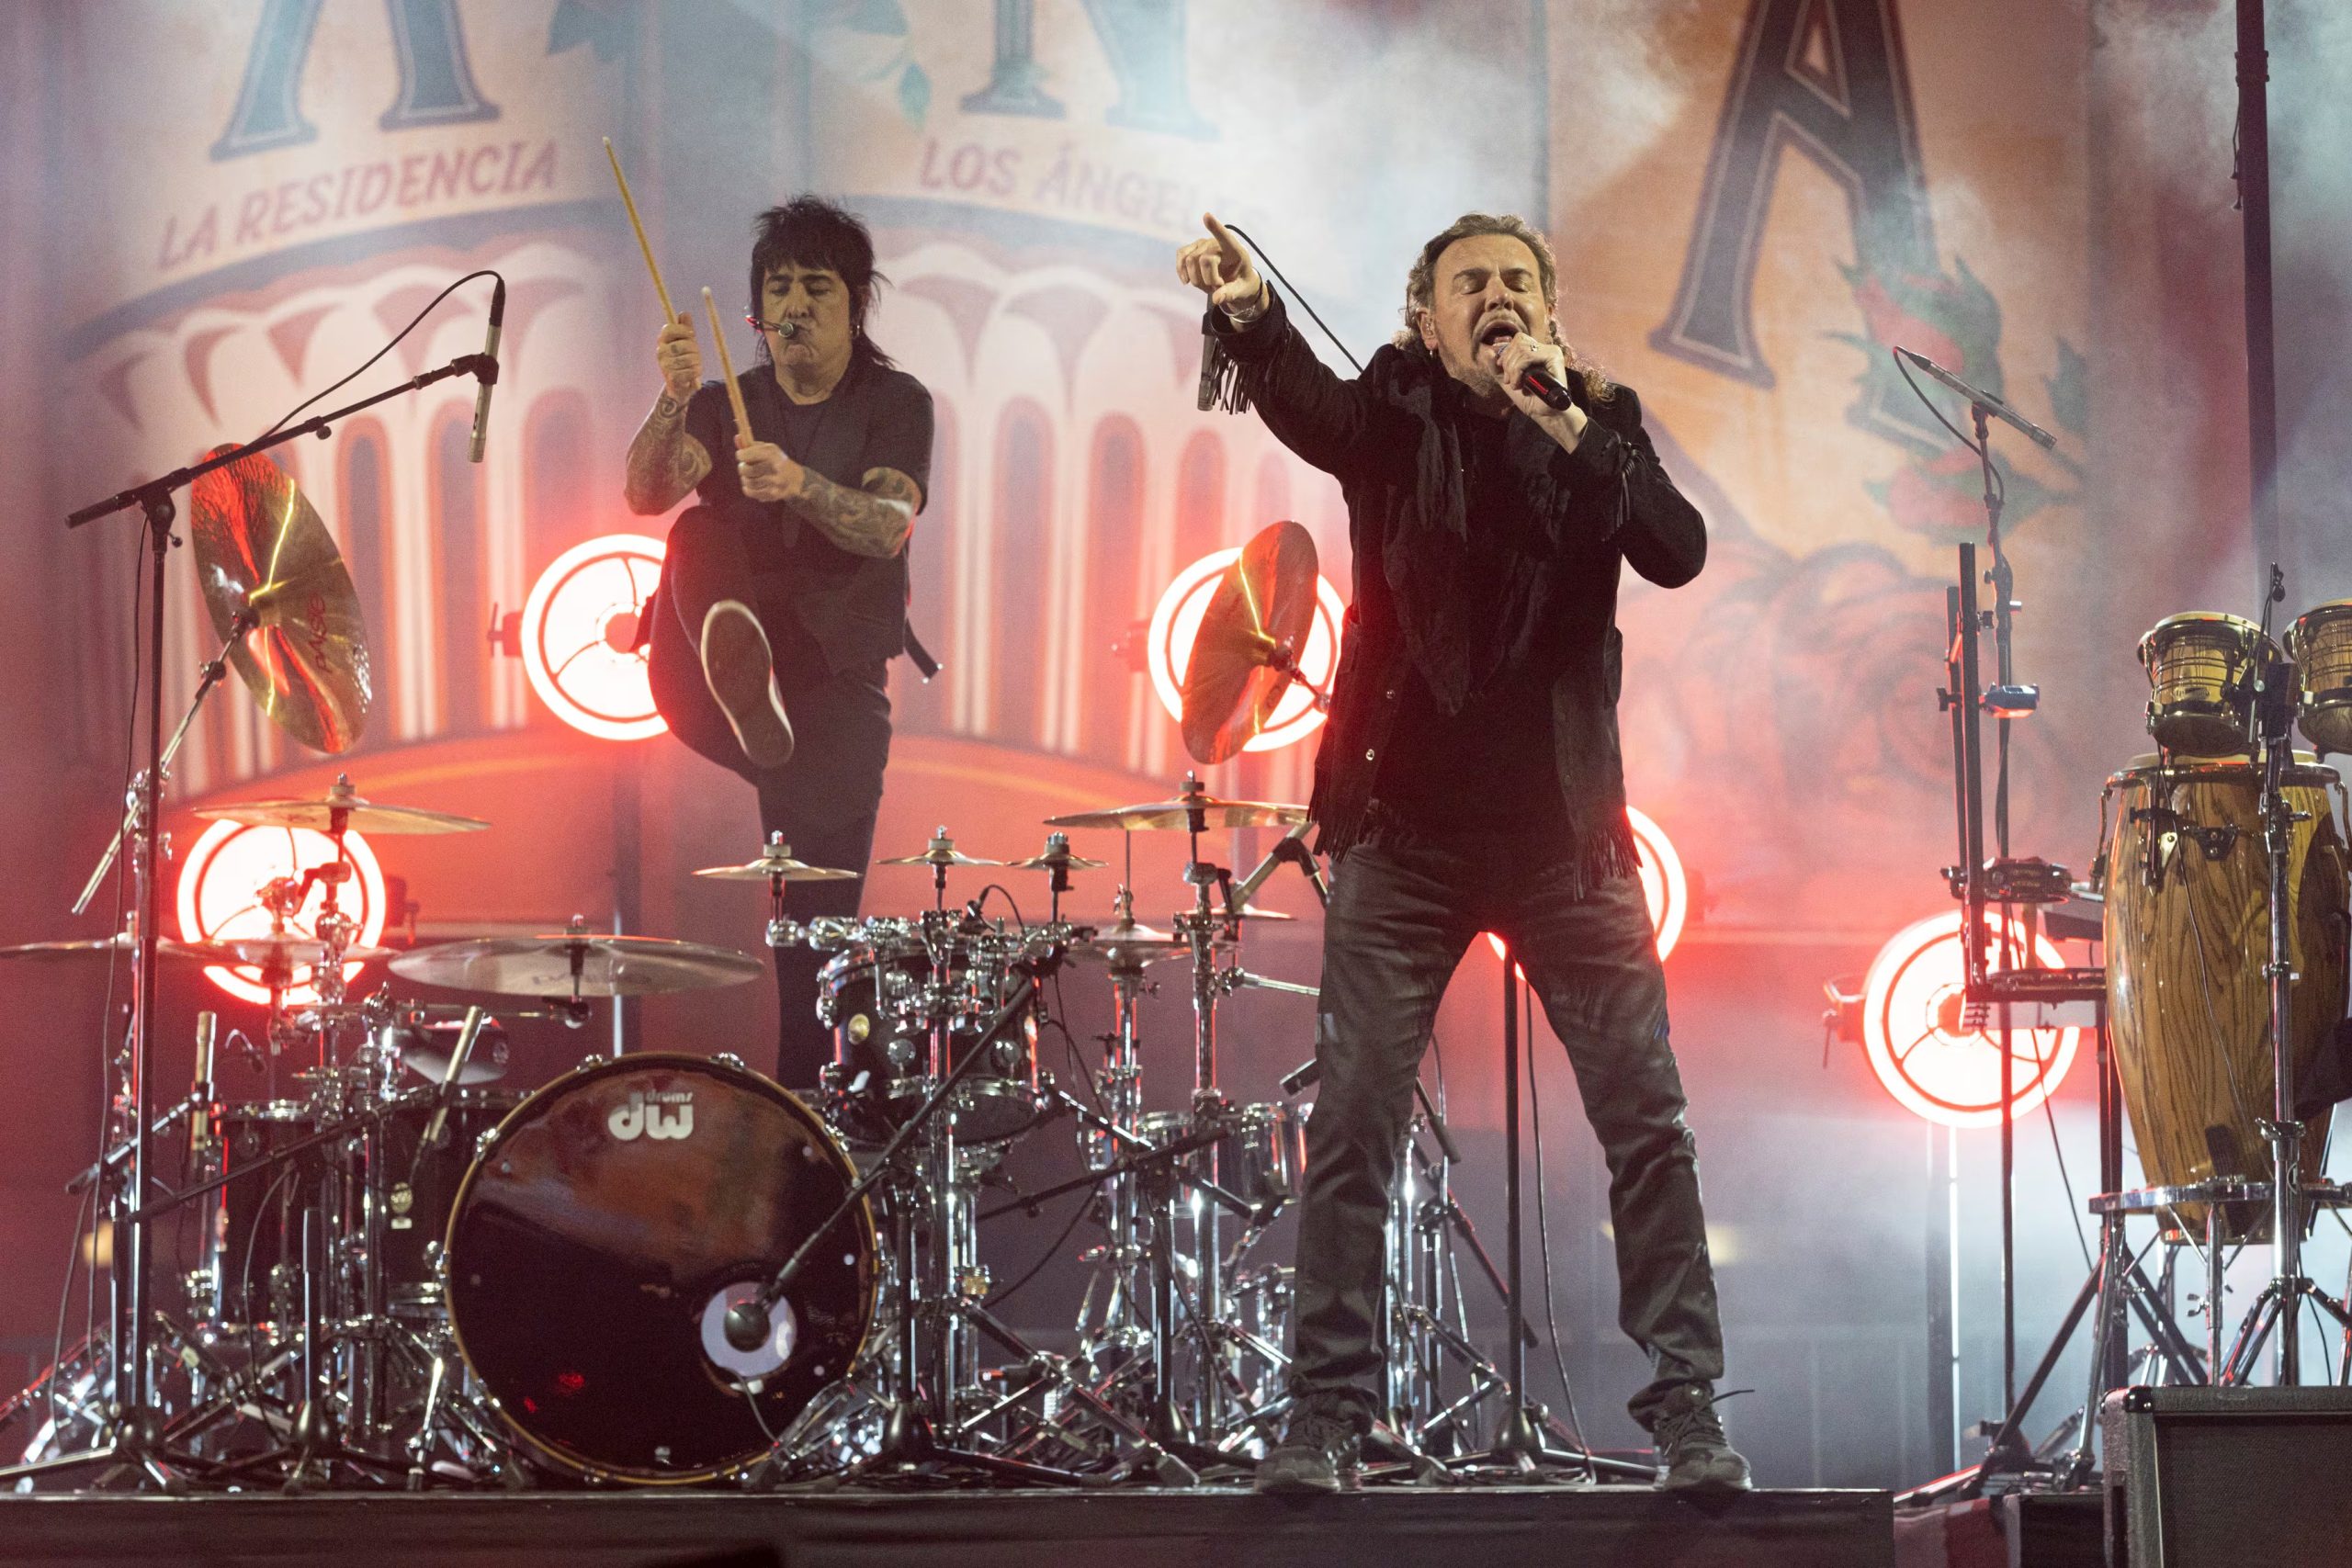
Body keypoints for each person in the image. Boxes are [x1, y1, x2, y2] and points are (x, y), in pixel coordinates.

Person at [1177, 210, 1747, 1494]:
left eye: (1516, 281)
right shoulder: (1394, 411)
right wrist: (1254, 313)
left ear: (1548, 312)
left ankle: (1689, 1412)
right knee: (1358, 1118)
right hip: (1404, 837)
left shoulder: (1593, 423)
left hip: (1566, 840)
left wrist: (1562, 419)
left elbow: (1677, 548)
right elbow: (1306, 407)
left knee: (1647, 1120)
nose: (1493, 297)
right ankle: (1326, 1415)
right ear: (1425, 318)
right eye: (1467, 284)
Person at [624, 197, 933, 1089]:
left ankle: (810, 1112)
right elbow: (645, 492)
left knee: (816, 944)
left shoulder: (895, 403)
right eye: (779, 288)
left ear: (856, 303)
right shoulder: (727, 404)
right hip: (708, 677)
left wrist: (797, 484)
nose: (794, 307)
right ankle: (736, 657)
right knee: (693, 535)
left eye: (817, 288)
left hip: (831, 685)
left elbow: (884, 526)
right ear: (755, 309)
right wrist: (672, 399)